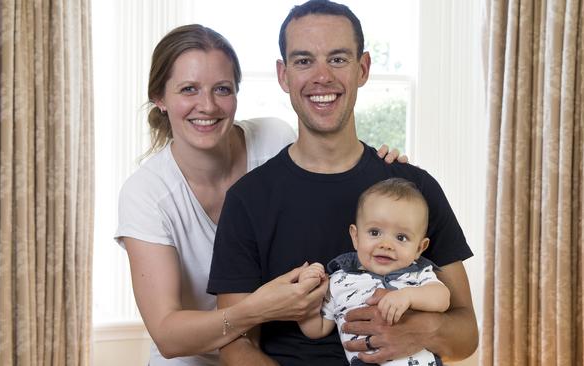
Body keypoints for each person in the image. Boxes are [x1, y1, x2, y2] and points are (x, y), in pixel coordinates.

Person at [114, 24, 406, 366]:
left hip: (272, 352)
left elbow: (334, 180)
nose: (207, 105)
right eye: (188, 89)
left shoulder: (274, 140)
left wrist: (381, 170)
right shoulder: (146, 194)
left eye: (222, 89)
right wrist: (259, 308)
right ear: (160, 98)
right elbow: (166, 334)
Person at [207, 1, 478, 365]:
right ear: (284, 75)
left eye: (337, 59)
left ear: (362, 68)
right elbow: (236, 345)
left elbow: (466, 337)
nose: (322, 77)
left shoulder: (415, 188)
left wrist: (423, 330)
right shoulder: (248, 199)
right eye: (304, 61)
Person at [297, 178, 450, 366]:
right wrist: (306, 303)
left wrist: (408, 296)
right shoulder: (338, 280)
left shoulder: (417, 274)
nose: (385, 245)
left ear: (419, 248)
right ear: (355, 236)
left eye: (401, 237)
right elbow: (317, 329)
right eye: (375, 232)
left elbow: (442, 298)